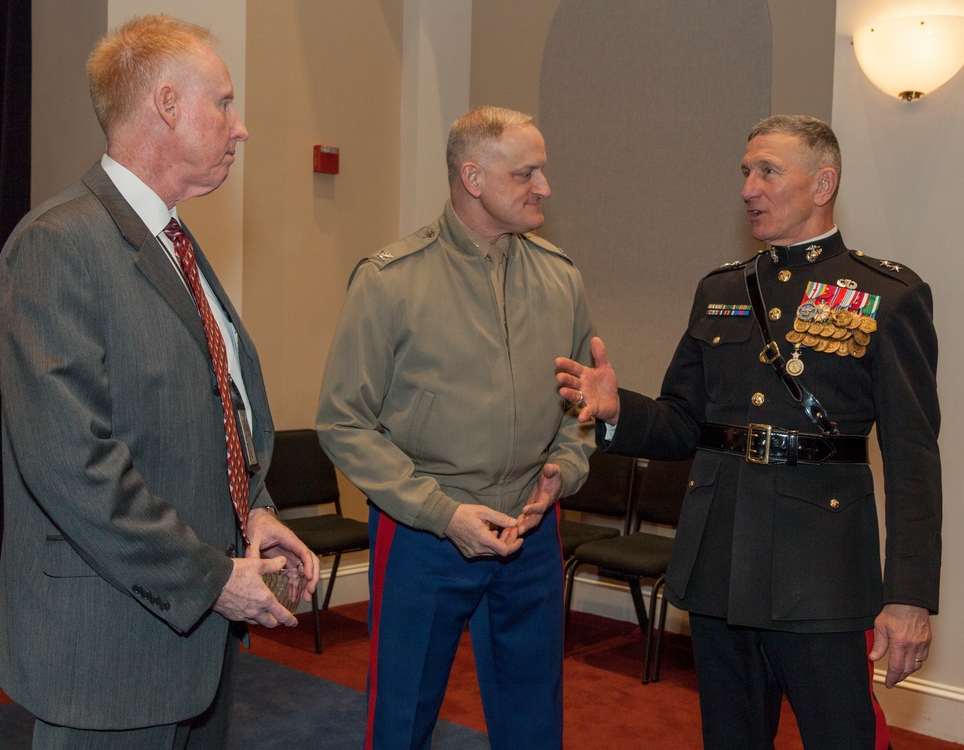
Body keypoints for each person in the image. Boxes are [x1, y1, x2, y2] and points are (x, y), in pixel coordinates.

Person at [555, 115, 941, 749]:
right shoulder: (721, 290)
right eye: (745, 172)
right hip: (722, 557)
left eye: (767, 171)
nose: (748, 188)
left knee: (842, 736)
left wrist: (908, 597)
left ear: (823, 185)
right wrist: (618, 407)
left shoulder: (885, 297)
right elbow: (683, 424)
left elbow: (913, 462)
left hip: (821, 570)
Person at [0, 15, 320, 749]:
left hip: (194, 644)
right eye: (224, 104)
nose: (241, 129)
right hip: (107, 653)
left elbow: (214, 413)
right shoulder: (56, 246)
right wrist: (211, 577)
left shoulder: (175, 242)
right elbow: (75, 465)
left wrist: (254, 512)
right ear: (167, 105)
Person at [317, 105, 596, 749]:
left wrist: (566, 467)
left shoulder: (561, 277)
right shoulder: (391, 280)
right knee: (401, 716)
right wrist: (442, 513)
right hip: (424, 532)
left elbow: (582, 404)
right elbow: (344, 422)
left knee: (533, 722)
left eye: (543, 171)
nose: (545, 187)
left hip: (530, 528)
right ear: (473, 178)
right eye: (527, 173)